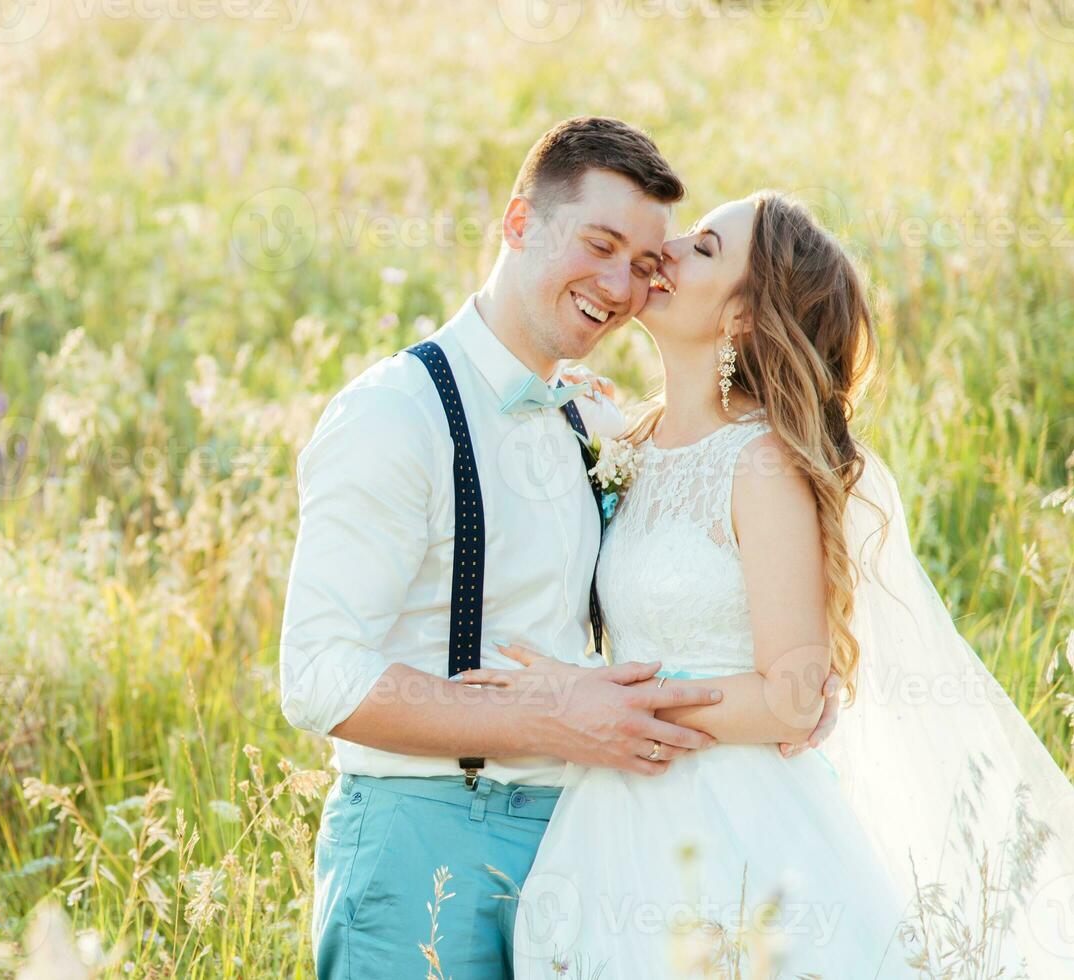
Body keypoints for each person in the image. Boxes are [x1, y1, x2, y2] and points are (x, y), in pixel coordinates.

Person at [278, 120, 841, 979]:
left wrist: (789, 692)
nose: (619, 287)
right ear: (517, 224)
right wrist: (548, 716)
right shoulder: (393, 416)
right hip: (423, 835)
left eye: (646, 262)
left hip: (590, 843)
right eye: (599, 244)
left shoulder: (606, 422)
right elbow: (318, 675)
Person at [475, 192, 1074, 977]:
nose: (668, 251)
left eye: (703, 250)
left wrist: (603, 699)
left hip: (731, 822)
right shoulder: (625, 438)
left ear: (741, 320)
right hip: (608, 813)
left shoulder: (761, 461)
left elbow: (794, 697)